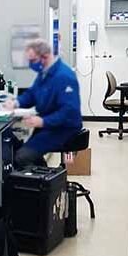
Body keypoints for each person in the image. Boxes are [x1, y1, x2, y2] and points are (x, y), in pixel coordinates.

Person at [5, 38, 83, 169]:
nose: (31, 64)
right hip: (49, 124)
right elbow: (32, 93)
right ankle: (45, 175)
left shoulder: (64, 76)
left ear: (45, 57)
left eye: (33, 60)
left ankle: (42, 179)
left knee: (22, 157)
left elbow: (68, 111)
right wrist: (16, 102)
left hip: (63, 128)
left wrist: (42, 122)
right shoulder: (45, 73)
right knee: (16, 146)